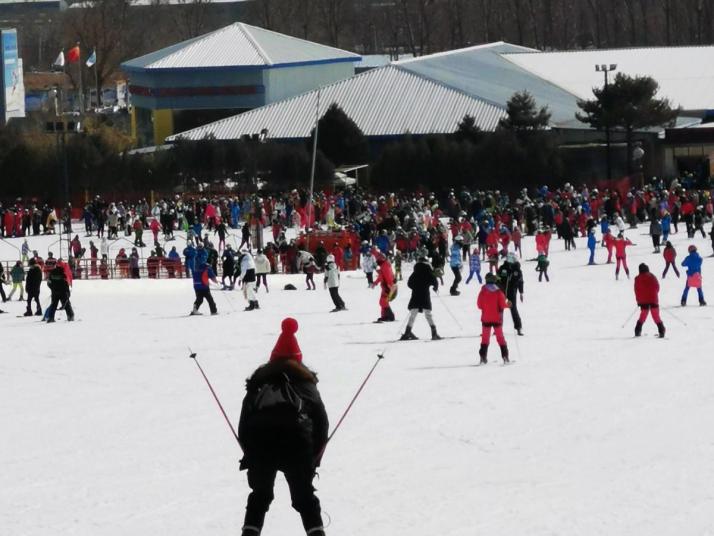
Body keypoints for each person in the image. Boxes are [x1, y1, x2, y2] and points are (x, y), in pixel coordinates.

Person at [237, 318, 328, 536]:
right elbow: (321, 424)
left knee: (260, 496)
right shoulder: (306, 384)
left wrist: (250, 455)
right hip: (297, 446)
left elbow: (245, 422)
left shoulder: (258, 383)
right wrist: (314, 458)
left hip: (261, 447)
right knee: (305, 499)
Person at [400, 249, 441, 340]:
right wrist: (434, 287)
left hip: (416, 294)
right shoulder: (428, 270)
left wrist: (415, 287)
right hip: (425, 294)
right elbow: (434, 280)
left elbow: (409, 283)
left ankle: (407, 332)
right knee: (428, 313)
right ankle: (434, 333)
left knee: (413, 313)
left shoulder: (415, 271)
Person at [477, 273, 510, 364]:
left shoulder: (482, 291)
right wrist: (508, 305)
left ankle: (483, 357)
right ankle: (505, 357)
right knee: (500, 338)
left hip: (486, 318)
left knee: (485, 338)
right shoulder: (499, 292)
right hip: (497, 318)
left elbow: (479, 305)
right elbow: (502, 305)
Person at [634, 263, 665, 338]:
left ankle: (637, 330)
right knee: (656, 316)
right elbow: (657, 287)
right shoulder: (652, 276)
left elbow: (636, 291)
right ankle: (661, 331)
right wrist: (654, 294)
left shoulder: (637, 278)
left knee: (643, 316)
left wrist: (638, 301)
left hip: (643, 301)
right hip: (653, 299)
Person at [496, 253, 524, 335]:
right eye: (509, 258)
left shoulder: (517, 270)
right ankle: (498, 328)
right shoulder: (503, 268)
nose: (510, 260)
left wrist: (521, 292)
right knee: (500, 309)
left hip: (512, 292)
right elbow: (497, 278)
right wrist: (497, 287)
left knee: (513, 309)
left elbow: (520, 282)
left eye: (512, 259)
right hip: (502, 291)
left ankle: (518, 327)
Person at [372, 254, 396, 322]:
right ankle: (384, 316)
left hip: (387, 287)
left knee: (383, 302)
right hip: (385, 286)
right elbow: (381, 276)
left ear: (381, 260)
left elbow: (389, 277)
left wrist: (390, 287)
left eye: (378, 260)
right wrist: (375, 283)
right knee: (382, 302)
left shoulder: (385, 266)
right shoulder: (383, 266)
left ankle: (390, 316)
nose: (377, 262)